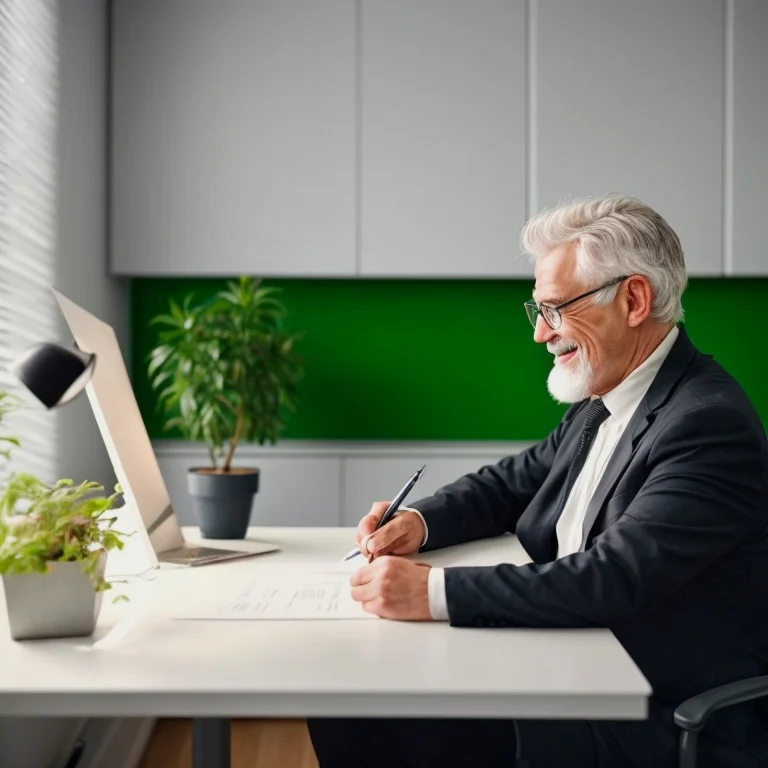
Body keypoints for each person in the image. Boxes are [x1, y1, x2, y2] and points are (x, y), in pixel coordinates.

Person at [307, 197, 768, 767]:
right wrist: (417, 523)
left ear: (633, 299)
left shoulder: (705, 424)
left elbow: (613, 577)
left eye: (555, 309)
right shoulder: (606, 396)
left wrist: (429, 592)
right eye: (538, 312)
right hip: (568, 659)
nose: (540, 335)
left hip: (644, 714)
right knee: (352, 692)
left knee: (364, 709)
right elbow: (509, 485)